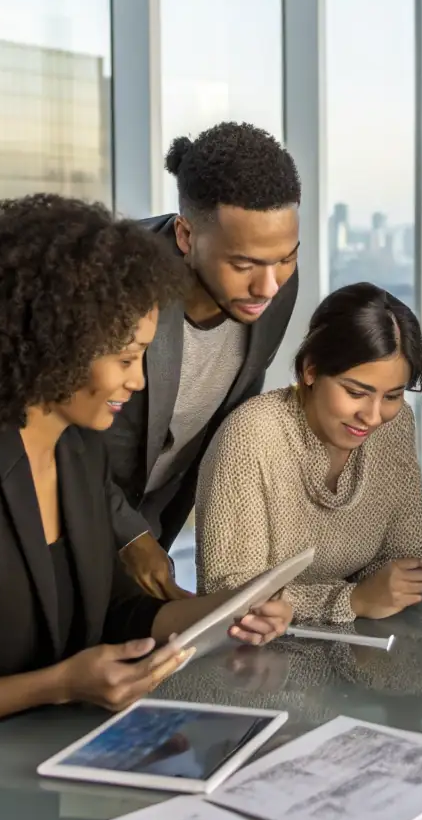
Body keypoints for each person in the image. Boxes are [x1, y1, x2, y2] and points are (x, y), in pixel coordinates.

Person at [0, 195, 291, 753]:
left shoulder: (77, 452)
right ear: (56, 346)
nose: (138, 382)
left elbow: (116, 615)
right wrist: (58, 686)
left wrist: (225, 610)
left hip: (47, 760)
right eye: (126, 360)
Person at [106, 122, 301, 599]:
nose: (268, 287)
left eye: (286, 258)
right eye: (244, 265)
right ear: (185, 234)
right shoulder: (115, 278)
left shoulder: (272, 285)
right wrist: (127, 533)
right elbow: (59, 433)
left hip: (156, 516)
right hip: (67, 511)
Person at [195, 283, 422, 622]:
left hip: (362, 650)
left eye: (392, 396)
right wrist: (352, 600)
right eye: (356, 392)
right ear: (310, 370)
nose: (372, 416)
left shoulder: (394, 428)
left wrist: (395, 585)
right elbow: (230, 591)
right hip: (255, 661)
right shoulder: (251, 435)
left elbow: (406, 551)